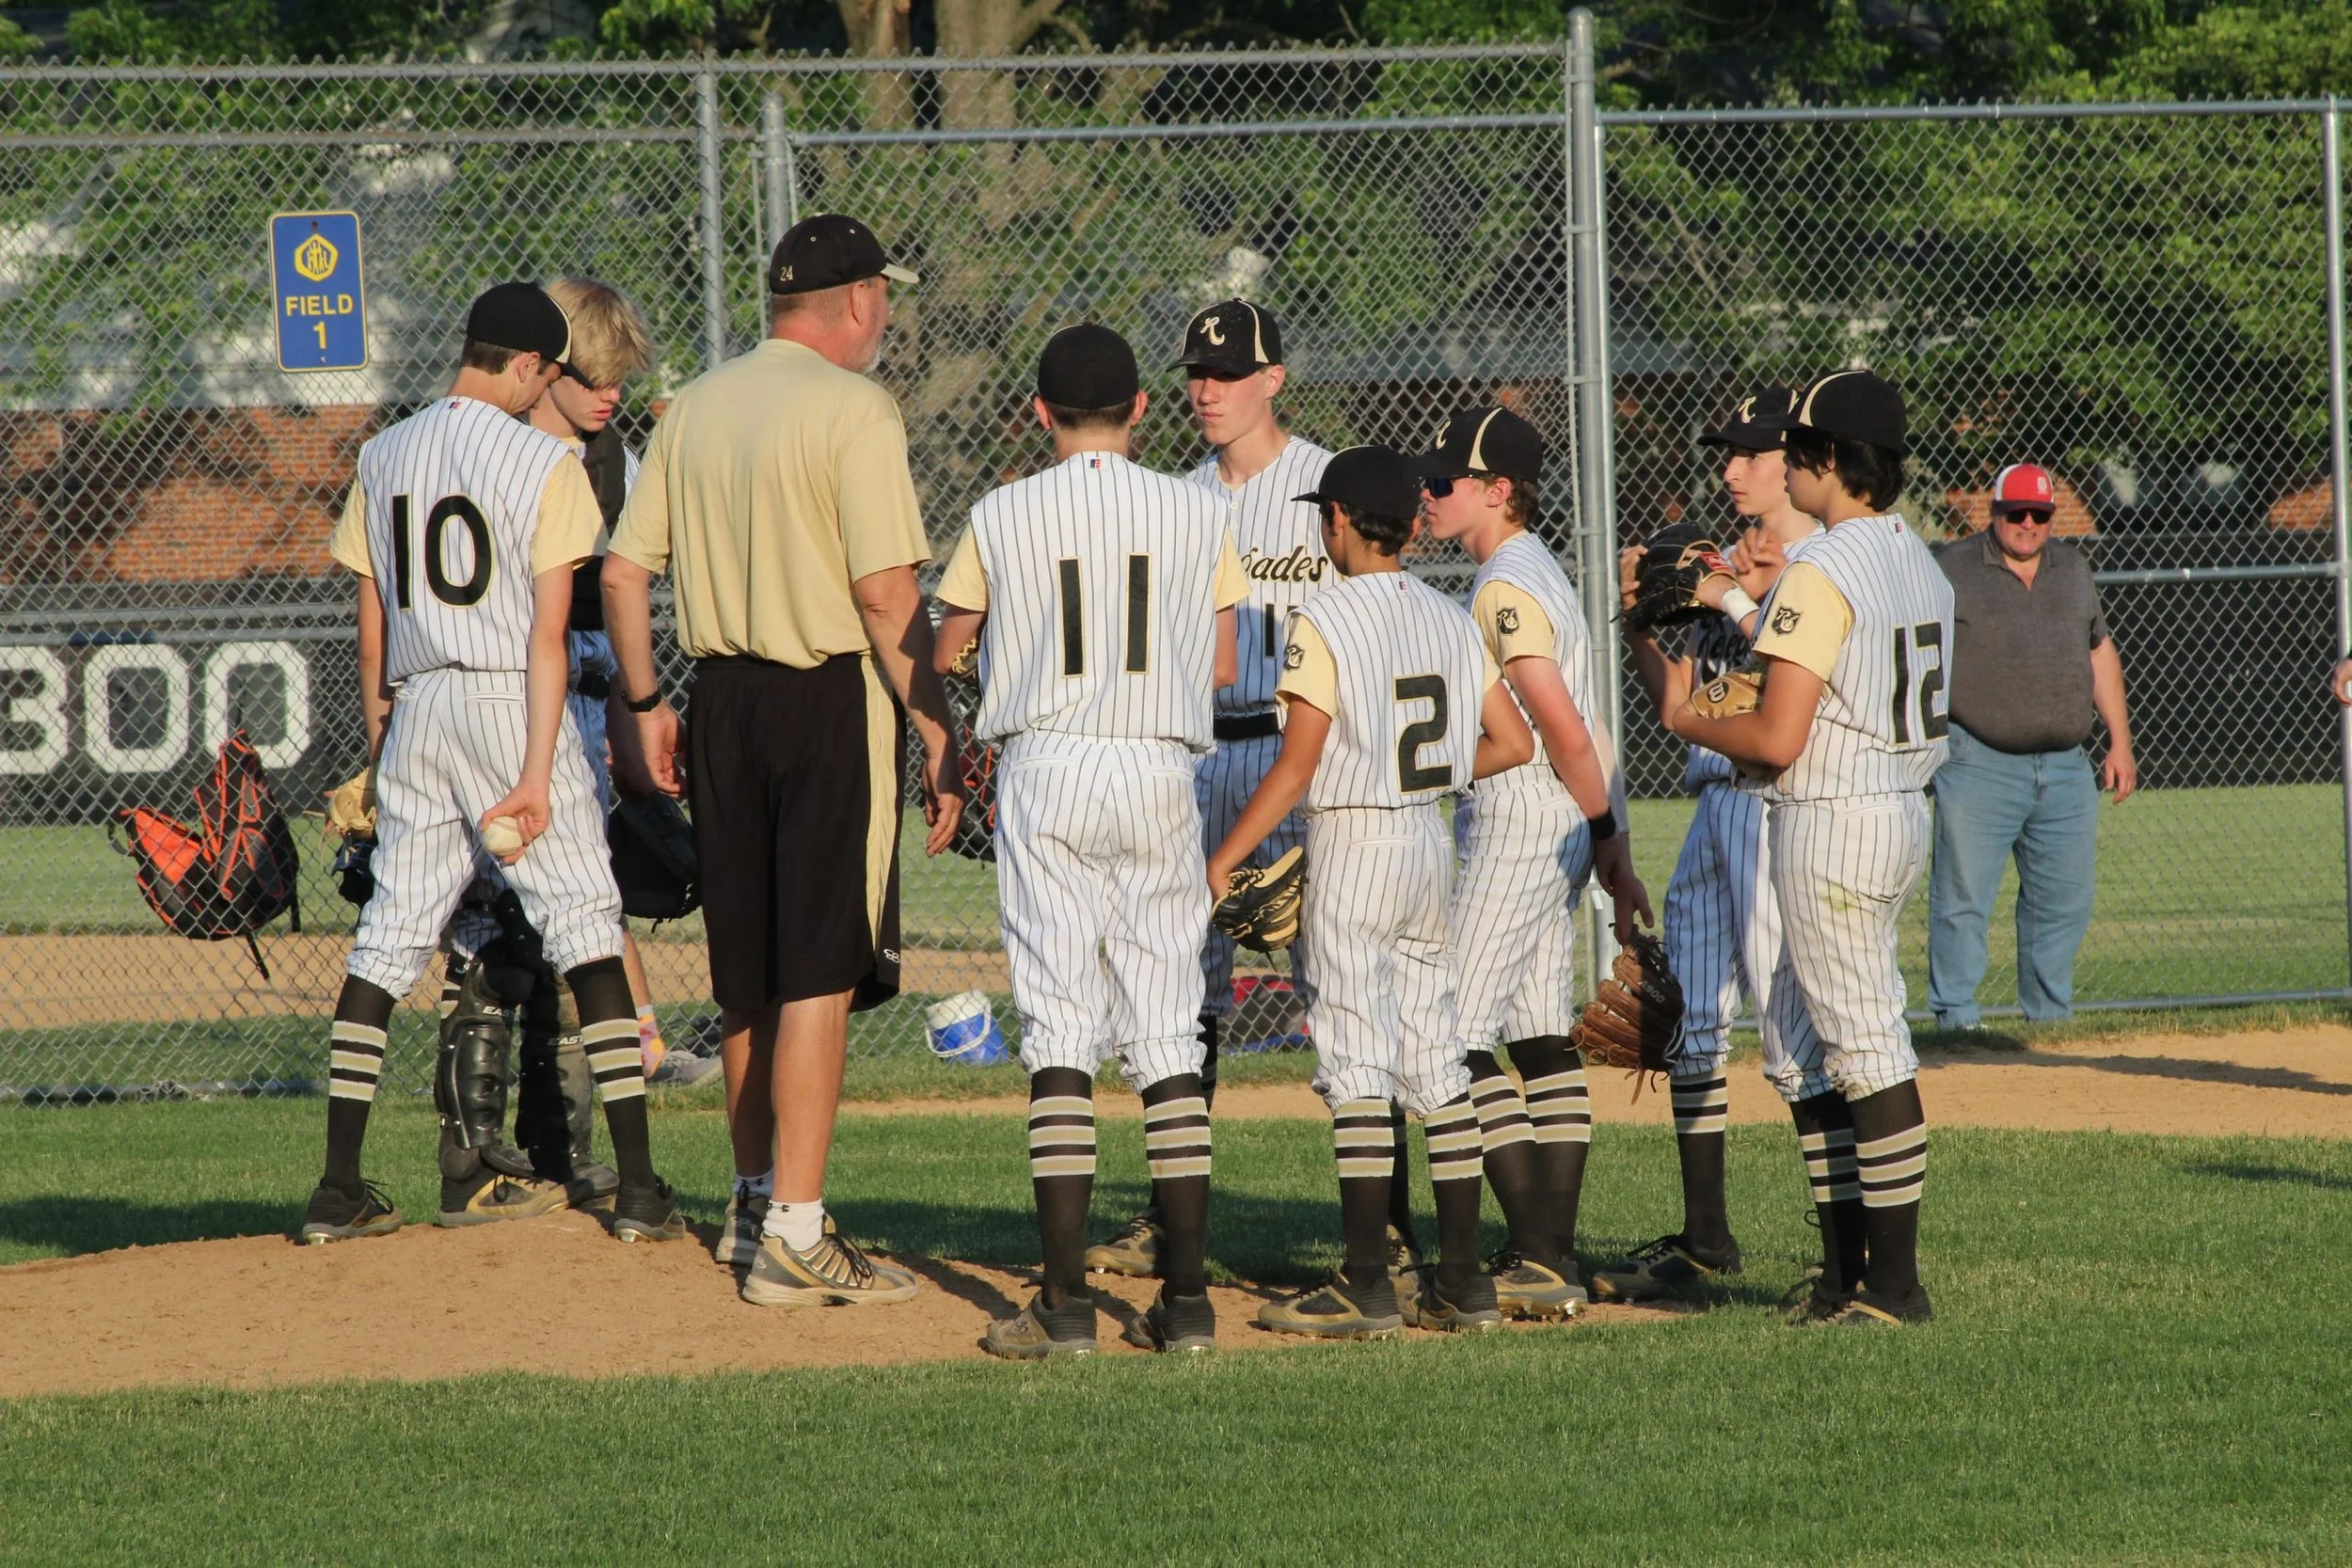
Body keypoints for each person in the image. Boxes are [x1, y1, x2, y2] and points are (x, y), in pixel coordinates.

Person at [602, 214, 964, 1306]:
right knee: (818, 968)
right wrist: (939, 721)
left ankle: (756, 1199)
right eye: (881, 297)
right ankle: (798, 1237)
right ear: (852, 301)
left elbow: (625, 576)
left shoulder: (697, 403)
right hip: (824, 699)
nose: (885, 316)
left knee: (750, 974)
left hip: (718, 699)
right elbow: (885, 595)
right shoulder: (855, 407)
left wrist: (649, 701)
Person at [301, 281, 683, 1246]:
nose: (546, 387)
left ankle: (338, 1187)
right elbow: (549, 635)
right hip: (512, 695)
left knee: (388, 939)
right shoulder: (541, 458)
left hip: (420, 699)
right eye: (547, 372)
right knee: (586, 922)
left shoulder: (383, 452)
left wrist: (386, 741)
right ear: (523, 365)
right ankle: (637, 1188)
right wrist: (535, 764)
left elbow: (372, 617)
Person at [931, 324, 1247, 1358]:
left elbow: (951, 642)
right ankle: (1189, 1306)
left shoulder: (1002, 508)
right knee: (1166, 1029)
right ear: (1143, 408)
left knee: (1061, 1027)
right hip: (1160, 767)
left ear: (1038, 413)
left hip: (1050, 766)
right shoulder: (1197, 506)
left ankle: (1065, 1308)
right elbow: (1221, 658)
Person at [1210, 444, 1535, 1338]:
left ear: (1340, 522)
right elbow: (1511, 742)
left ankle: (1364, 1281)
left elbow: (1298, 764)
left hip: (1354, 843)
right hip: (1428, 843)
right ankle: (1464, 1282)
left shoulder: (1323, 617)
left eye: (1327, 515)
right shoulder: (1445, 612)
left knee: (1357, 1061)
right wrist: (1418, 771)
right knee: (1435, 1056)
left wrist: (1221, 858)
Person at [1653, 370, 1950, 1327]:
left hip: (1834, 814)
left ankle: (1894, 1287)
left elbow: (1777, 737)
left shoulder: (1823, 567)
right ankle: (1842, 1275)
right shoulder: (1919, 557)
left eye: (1799, 449)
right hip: (1894, 802)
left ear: (1822, 461)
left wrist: (1687, 714)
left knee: (1862, 1041)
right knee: (1806, 1047)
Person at [1084, 297, 1333, 1282]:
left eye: (1227, 374)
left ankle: (1387, 1228)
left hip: (1301, 763)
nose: (1206, 389)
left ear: (1273, 378)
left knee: (1345, 990)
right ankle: (1167, 1220)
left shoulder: (1324, 485)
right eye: (1194, 372)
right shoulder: (1173, 495)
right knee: (1181, 992)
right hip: (1195, 761)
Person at [1415, 404, 1650, 1319]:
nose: (1428, 494)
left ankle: (1536, 1251)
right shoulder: (1534, 568)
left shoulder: (1501, 585)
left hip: (1519, 821)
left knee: (1451, 1036)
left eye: (1445, 481)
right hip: (1554, 822)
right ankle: (1545, 1250)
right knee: (1538, 1036)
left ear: (1498, 490)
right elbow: (1587, 732)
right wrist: (1607, 841)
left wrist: (1607, 842)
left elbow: (1559, 724)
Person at [1597, 388, 1830, 1303]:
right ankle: (1704, 1238)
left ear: (1791, 460)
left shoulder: (1818, 559)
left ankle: (1843, 1242)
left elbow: (1794, 672)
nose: (1729, 467)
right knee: (1689, 1027)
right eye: (1723, 452)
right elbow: (1675, 704)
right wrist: (1638, 621)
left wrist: (1735, 593)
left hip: (1777, 807)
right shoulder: (1720, 558)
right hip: (1711, 803)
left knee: (1790, 1038)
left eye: (1748, 451)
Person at [1927, 463, 2137, 1030]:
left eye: (2038, 515)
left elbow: (2099, 653)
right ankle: (1957, 1020)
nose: (2027, 524)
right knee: (1962, 899)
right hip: (1978, 760)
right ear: (1993, 512)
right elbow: (1915, 651)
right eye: (2015, 512)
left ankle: (2049, 1019)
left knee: (2062, 903)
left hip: (2066, 766)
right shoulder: (1952, 568)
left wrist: (2120, 741)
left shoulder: (2072, 568)